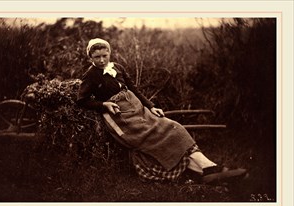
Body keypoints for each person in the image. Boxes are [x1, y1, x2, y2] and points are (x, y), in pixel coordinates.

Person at [77, 38, 247, 184]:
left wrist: (151, 106)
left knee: (174, 127)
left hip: (138, 110)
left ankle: (208, 169)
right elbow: (82, 100)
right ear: (90, 57)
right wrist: (103, 105)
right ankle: (210, 169)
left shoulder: (118, 67)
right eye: (97, 57)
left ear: (109, 53)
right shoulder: (90, 75)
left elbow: (134, 89)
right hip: (120, 118)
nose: (101, 60)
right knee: (159, 135)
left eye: (104, 56)